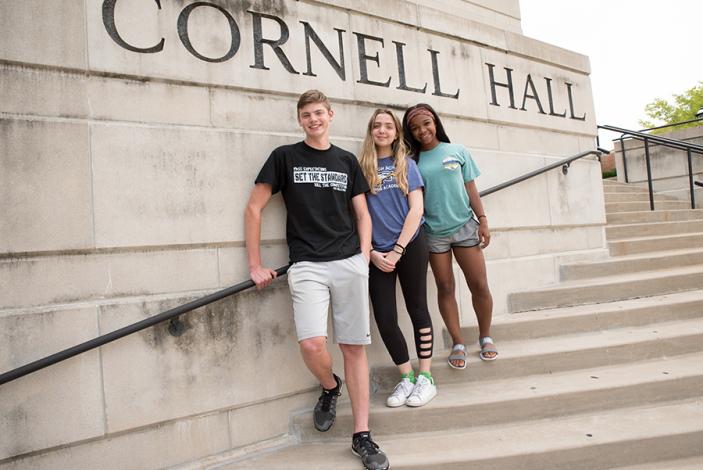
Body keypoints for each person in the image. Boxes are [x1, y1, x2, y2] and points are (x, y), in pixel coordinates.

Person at [245, 90, 389, 470]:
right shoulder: (284, 157)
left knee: (353, 347)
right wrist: (255, 264)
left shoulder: (346, 161)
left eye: (319, 113)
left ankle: (362, 435)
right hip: (306, 264)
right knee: (311, 344)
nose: (313, 119)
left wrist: (362, 255)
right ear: (300, 120)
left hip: (348, 263)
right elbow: (254, 207)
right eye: (306, 114)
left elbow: (363, 213)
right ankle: (329, 386)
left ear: (331, 115)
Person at [402, 103, 498, 370]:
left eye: (426, 123)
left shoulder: (457, 151)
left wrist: (484, 220)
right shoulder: (411, 161)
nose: (422, 130)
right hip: (433, 234)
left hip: (465, 227)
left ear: (435, 122)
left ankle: (485, 336)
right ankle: (458, 342)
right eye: (415, 127)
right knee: (445, 288)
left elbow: (471, 189)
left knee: (479, 285)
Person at [359, 109, 436, 407]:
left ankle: (426, 378)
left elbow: (416, 210)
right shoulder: (361, 168)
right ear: (371, 131)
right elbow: (358, 215)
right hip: (377, 253)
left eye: (388, 126)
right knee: (385, 317)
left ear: (396, 132)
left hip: (411, 245)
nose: (382, 130)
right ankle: (406, 377)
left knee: (418, 308)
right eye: (377, 126)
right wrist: (374, 253)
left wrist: (398, 250)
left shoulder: (407, 164)